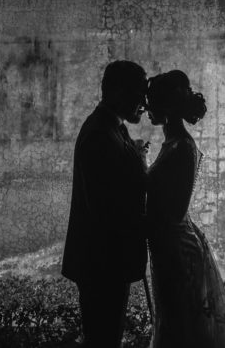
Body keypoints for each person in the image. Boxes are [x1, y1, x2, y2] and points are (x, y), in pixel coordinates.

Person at [144, 70, 225, 348]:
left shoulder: (183, 147)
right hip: (167, 246)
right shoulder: (172, 144)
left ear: (165, 105)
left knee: (182, 325)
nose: (147, 107)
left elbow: (176, 210)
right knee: (174, 321)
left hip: (177, 249)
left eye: (152, 101)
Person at [61, 60, 149, 348]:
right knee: (103, 339)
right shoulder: (100, 134)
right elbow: (107, 207)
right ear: (117, 92)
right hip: (102, 264)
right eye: (139, 93)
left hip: (104, 262)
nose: (144, 103)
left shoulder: (110, 127)